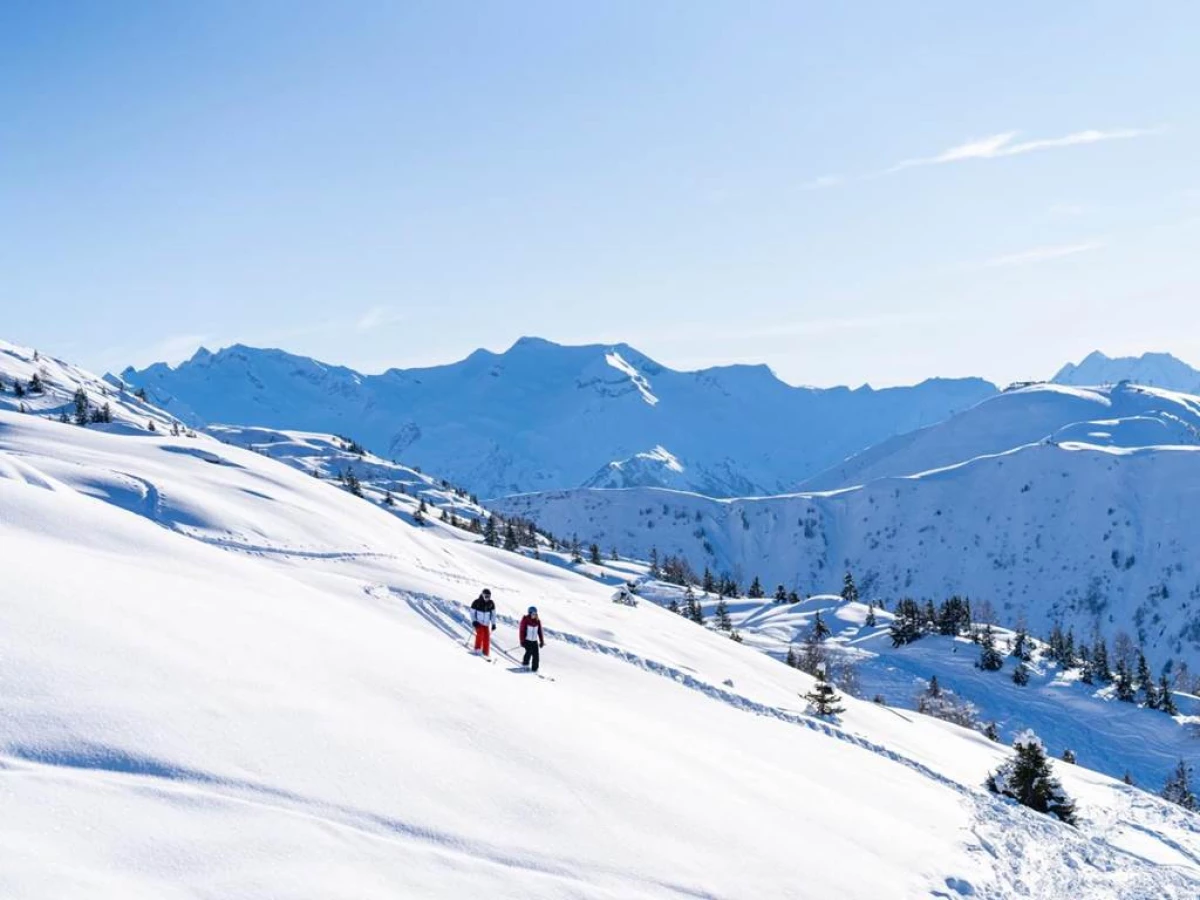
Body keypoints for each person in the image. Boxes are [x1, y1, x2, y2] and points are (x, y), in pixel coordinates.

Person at [470, 589, 496, 657]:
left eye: (489, 596)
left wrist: (493, 624)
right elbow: (472, 613)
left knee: (487, 638)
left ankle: (486, 653)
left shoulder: (491, 603)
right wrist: (474, 621)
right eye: (486, 596)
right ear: (482, 595)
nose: (487, 598)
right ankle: (477, 649)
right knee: (480, 634)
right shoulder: (476, 602)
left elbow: (493, 614)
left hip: (486, 624)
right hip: (478, 623)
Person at [519, 606, 545, 672]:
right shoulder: (525, 620)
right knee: (529, 652)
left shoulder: (537, 621)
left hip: (534, 641)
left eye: (535, 614)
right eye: (533, 614)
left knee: (536, 655)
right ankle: (525, 665)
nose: (534, 615)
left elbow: (540, 632)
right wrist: (522, 641)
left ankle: (535, 668)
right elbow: (522, 631)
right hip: (527, 641)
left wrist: (542, 641)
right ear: (529, 613)